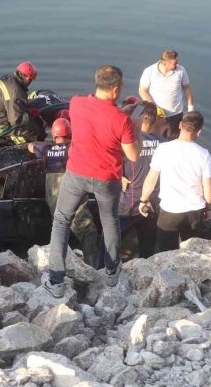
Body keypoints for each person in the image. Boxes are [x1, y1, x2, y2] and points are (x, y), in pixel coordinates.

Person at [42, 65, 140, 298]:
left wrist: (118, 114)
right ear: (116, 89)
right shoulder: (122, 120)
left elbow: (95, 121)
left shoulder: (75, 104)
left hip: (76, 175)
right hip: (107, 179)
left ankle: (55, 282)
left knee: (61, 221)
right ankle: (111, 272)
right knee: (110, 222)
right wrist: (132, 127)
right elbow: (133, 154)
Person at [28, 118, 100, 269]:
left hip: (54, 201)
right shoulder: (73, 149)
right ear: (70, 134)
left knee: (61, 231)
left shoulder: (46, 150)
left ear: (54, 136)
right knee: (89, 232)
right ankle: (93, 270)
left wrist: (46, 145)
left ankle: (59, 267)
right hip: (71, 197)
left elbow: (31, 146)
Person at [138, 111, 211, 252]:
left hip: (170, 210)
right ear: (199, 132)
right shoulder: (204, 154)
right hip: (194, 211)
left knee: (166, 251)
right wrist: (209, 208)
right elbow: (208, 187)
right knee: (191, 250)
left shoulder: (163, 149)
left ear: (180, 125)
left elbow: (151, 178)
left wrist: (143, 200)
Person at [119, 102, 167, 258]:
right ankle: (146, 267)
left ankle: (103, 269)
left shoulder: (127, 143)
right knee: (148, 244)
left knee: (111, 239)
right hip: (151, 203)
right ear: (154, 121)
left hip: (128, 204)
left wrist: (119, 176)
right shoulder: (165, 144)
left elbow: (104, 163)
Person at [0, 61, 42, 145]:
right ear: (28, 78)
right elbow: (16, 120)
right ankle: (10, 141)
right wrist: (28, 115)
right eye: (31, 80)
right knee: (32, 131)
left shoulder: (7, 78)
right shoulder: (16, 91)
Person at [138, 49, 194, 139]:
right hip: (156, 115)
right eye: (174, 63)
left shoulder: (181, 70)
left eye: (177, 62)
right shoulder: (149, 71)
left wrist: (191, 110)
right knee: (152, 138)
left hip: (175, 115)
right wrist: (153, 106)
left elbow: (187, 88)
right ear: (165, 63)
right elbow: (142, 90)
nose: (177, 65)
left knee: (173, 140)